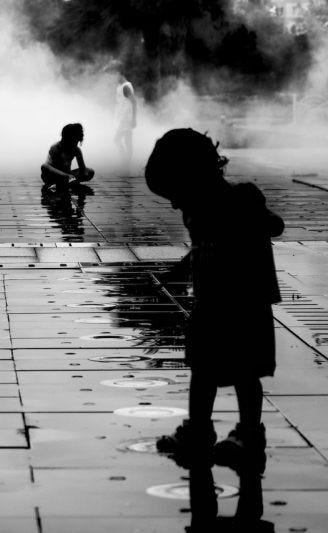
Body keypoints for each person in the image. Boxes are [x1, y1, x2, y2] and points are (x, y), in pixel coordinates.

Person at [146, 129, 284, 480]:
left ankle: (249, 434)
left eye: (175, 194)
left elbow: (274, 225)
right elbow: (201, 247)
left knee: (246, 371)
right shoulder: (195, 207)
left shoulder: (242, 197)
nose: (174, 204)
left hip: (246, 301)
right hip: (210, 301)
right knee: (202, 367)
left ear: (195, 176)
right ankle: (198, 429)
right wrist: (180, 270)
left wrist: (255, 219)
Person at [41, 123, 94, 189]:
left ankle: (66, 183)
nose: (76, 143)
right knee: (44, 166)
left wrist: (82, 173)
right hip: (54, 175)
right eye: (75, 141)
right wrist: (66, 175)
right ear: (68, 138)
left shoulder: (76, 150)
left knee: (90, 171)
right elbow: (48, 167)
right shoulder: (56, 147)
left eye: (77, 141)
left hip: (68, 176)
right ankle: (63, 183)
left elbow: (82, 168)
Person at [114, 74, 137, 167]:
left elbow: (134, 102)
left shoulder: (126, 87)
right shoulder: (121, 86)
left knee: (117, 139)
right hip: (123, 118)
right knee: (127, 141)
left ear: (120, 75)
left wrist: (134, 119)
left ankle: (125, 163)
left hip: (126, 119)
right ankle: (126, 164)